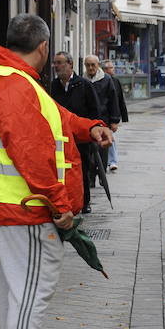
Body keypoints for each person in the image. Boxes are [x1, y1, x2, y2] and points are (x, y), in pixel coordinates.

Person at [0, 13, 113, 329]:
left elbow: (57, 118)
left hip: (8, 204)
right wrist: (61, 207)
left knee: (16, 293)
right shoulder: (14, 84)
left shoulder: (6, 78)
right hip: (27, 208)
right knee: (30, 294)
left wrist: (89, 126)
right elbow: (32, 153)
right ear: (43, 47)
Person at [49, 51, 102, 213]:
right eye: (55, 63)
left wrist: (94, 129)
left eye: (60, 63)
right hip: (60, 138)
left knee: (82, 169)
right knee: (60, 170)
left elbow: (94, 109)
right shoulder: (53, 86)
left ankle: (84, 202)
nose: (56, 66)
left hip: (81, 137)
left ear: (70, 64)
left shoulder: (83, 85)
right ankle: (64, 201)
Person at [83, 55, 121, 178]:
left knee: (102, 149)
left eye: (93, 65)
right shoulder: (82, 80)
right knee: (89, 150)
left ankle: (101, 172)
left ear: (98, 65)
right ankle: (91, 177)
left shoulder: (107, 79)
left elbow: (113, 100)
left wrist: (114, 121)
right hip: (88, 121)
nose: (90, 67)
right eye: (87, 65)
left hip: (103, 120)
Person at [101, 60, 129, 171]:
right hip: (103, 114)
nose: (113, 70)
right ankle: (109, 161)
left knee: (109, 137)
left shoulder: (115, 81)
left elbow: (120, 100)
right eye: (110, 68)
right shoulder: (100, 81)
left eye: (112, 67)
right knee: (107, 137)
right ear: (105, 70)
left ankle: (112, 160)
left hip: (111, 115)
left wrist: (122, 117)